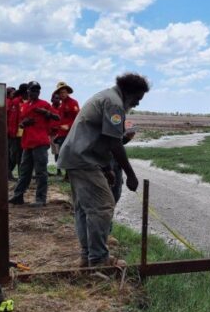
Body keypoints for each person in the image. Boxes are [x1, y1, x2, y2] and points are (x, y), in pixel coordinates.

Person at [57, 73, 150, 268]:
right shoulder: (114, 104)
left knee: (84, 209)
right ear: (129, 92)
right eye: (137, 99)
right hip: (83, 159)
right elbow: (114, 142)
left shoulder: (107, 96)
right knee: (103, 206)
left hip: (77, 157)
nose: (138, 104)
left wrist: (106, 167)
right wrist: (131, 175)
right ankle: (99, 259)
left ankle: (87, 256)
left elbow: (100, 138)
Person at [9, 81, 59, 207]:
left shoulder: (45, 104)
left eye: (37, 90)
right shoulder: (25, 106)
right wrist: (23, 123)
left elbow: (57, 118)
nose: (35, 92)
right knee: (24, 171)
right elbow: (21, 122)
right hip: (27, 142)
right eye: (33, 90)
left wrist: (46, 113)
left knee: (41, 172)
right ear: (28, 91)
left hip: (40, 142)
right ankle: (18, 196)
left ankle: (41, 199)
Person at [52, 81, 79, 179]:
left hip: (70, 133)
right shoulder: (60, 104)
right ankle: (67, 175)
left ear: (67, 92)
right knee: (62, 154)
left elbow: (77, 118)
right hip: (61, 133)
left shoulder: (73, 103)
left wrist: (68, 125)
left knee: (68, 154)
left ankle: (69, 175)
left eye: (64, 92)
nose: (62, 94)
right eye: (60, 92)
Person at [7, 83, 28, 181]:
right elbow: (12, 119)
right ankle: (18, 176)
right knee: (16, 156)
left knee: (23, 155)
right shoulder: (16, 101)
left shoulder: (29, 101)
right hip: (17, 134)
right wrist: (12, 133)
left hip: (26, 134)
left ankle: (20, 175)